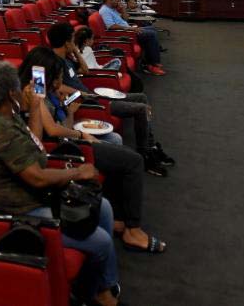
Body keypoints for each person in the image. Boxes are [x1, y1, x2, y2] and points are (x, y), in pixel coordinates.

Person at [0, 59, 124, 306]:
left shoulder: (4, 114)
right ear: (11, 93)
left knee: (103, 207)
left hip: (31, 195)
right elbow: (37, 177)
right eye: (20, 88)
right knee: (102, 242)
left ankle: (100, 286)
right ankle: (94, 295)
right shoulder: (2, 131)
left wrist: (34, 106)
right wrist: (77, 172)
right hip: (18, 210)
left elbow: (36, 145)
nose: (25, 89)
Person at [18, 48, 165, 252]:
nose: (60, 83)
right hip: (63, 149)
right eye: (57, 78)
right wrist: (83, 135)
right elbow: (49, 130)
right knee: (133, 161)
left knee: (116, 148)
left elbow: (62, 124)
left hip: (67, 139)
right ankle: (133, 229)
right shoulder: (33, 91)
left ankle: (120, 219)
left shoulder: (46, 92)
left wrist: (69, 110)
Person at [47, 22, 174, 177]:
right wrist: (81, 93)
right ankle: (146, 155)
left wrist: (75, 51)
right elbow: (56, 88)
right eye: (72, 40)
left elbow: (85, 70)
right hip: (88, 102)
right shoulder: (52, 63)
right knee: (141, 108)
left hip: (93, 95)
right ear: (66, 42)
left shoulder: (67, 59)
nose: (74, 43)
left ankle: (150, 146)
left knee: (141, 97)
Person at [98, 0, 164, 76]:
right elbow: (111, 26)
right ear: (109, 0)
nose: (118, 0)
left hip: (128, 29)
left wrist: (123, 10)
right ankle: (153, 64)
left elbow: (125, 19)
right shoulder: (105, 11)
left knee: (152, 29)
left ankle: (149, 60)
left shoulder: (112, 9)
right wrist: (130, 28)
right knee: (151, 34)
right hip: (125, 33)